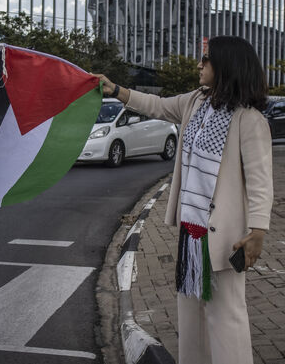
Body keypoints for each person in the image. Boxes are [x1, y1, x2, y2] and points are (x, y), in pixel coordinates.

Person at [94, 35, 273, 364]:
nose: (199, 65)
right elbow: (157, 105)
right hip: (192, 231)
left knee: (226, 316)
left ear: (226, 66)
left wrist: (258, 230)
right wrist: (117, 90)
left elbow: (261, 181)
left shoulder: (249, 120)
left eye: (206, 60)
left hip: (224, 236)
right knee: (190, 314)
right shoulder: (195, 102)